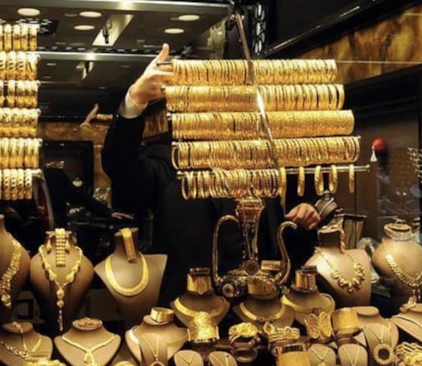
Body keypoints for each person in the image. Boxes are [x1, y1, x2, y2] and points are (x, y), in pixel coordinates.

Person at [102, 44, 321, 303]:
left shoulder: (263, 157)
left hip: (262, 303)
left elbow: (281, 230)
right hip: (191, 303)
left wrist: (306, 214)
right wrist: (135, 100)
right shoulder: (171, 157)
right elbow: (120, 166)